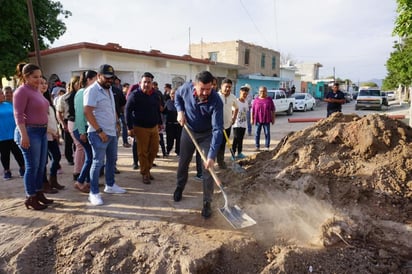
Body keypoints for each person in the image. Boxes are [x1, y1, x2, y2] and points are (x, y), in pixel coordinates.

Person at [173, 70, 224, 219]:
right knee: (183, 162)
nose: (206, 92)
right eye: (203, 89)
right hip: (189, 131)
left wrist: (212, 155)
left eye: (209, 89)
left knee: (207, 168)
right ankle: (179, 187)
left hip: (207, 135)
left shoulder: (216, 101)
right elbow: (177, 97)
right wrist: (180, 111)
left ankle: (207, 202)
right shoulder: (186, 89)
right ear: (195, 85)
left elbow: (217, 130)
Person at [83, 64, 126, 206]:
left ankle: (110, 185)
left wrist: (117, 122)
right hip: (98, 133)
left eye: (111, 77)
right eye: (106, 77)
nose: (109, 80)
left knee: (112, 160)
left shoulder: (110, 90)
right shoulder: (92, 90)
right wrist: (99, 131)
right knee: (97, 162)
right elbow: (87, 112)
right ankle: (93, 192)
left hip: (111, 131)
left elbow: (111, 108)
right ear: (98, 75)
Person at [13, 63, 53, 210]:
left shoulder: (36, 90)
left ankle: (38, 192)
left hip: (41, 132)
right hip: (29, 132)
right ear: (26, 76)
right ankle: (31, 196)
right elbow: (18, 115)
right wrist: (24, 135)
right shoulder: (21, 91)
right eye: (35, 77)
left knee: (41, 166)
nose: (38, 80)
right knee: (32, 166)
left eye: (40, 76)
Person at [125, 72, 162, 184]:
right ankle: (145, 173)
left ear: (152, 84)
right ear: (140, 83)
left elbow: (157, 110)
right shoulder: (134, 95)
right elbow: (127, 111)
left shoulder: (155, 95)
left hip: (154, 126)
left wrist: (160, 123)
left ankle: (147, 169)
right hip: (140, 127)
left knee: (154, 150)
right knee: (142, 152)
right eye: (144, 82)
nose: (146, 84)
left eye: (148, 82)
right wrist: (130, 127)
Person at [72, 70, 97, 193]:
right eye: (95, 79)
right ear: (88, 80)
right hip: (81, 130)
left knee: (90, 156)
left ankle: (88, 181)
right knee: (90, 157)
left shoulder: (88, 92)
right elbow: (80, 114)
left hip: (86, 129)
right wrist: (82, 132)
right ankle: (80, 181)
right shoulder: (82, 92)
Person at [40, 76, 64, 193]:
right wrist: (51, 132)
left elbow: (52, 119)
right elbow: (41, 120)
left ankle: (53, 180)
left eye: (45, 83)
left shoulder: (47, 100)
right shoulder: (37, 100)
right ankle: (44, 184)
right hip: (44, 135)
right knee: (43, 161)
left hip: (53, 134)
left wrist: (57, 132)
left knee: (57, 156)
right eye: (41, 83)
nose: (44, 85)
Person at [0, 90, 25, 180]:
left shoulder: (9, 105)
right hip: (2, 136)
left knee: (18, 152)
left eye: (2, 93)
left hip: (14, 134)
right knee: (4, 154)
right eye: (1, 94)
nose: (3, 95)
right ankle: (7, 171)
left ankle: (22, 168)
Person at [216, 78, 238, 169]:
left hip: (227, 125)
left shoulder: (232, 97)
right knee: (214, 144)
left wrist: (234, 118)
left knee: (223, 144)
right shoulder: (216, 96)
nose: (228, 89)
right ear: (221, 86)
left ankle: (221, 162)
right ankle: (210, 162)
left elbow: (236, 108)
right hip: (216, 126)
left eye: (230, 87)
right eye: (226, 87)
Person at [251, 86, 275, 151]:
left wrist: (273, 119)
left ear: (266, 92)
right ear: (259, 92)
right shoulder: (256, 100)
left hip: (266, 119)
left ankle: (267, 147)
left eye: (264, 91)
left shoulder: (269, 99)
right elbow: (252, 110)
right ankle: (257, 146)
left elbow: (273, 110)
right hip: (258, 119)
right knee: (257, 133)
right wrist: (252, 119)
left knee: (267, 133)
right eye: (261, 91)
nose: (262, 92)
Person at [232, 85, 250, 159]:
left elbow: (247, 112)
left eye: (246, 94)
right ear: (240, 92)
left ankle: (239, 153)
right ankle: (233, 154)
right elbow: (232, 112)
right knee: (236, 139)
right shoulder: (236, 101)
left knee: (241, 139)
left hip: (243, 124)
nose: (245, 95)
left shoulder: (246, 102)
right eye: (243, 94)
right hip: (236, 124)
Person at [163, 88, 182, 156]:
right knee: (169, 139)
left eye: (174, 94)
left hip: (179, 124)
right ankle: (168, 151)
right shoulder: (168, 102)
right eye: (172, 93)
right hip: (170, 124)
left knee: (179, 139)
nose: (173, 95)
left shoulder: (180, 102)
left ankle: (178, 152)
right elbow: (164, 111)